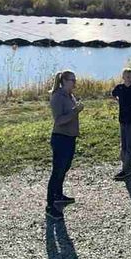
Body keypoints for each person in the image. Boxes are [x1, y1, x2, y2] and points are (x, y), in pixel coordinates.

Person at [46, 70, 83, 220]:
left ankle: (59, 195)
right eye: (72, 80)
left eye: (75, 80)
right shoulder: (57, 96)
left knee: (64, 168)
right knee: (57, 171)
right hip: (60, 138)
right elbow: (59, 120)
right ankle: (50, 205)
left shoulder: (70, 95)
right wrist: (75, 111)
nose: (75, 83)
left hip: (70, 138)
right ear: (64, 81)